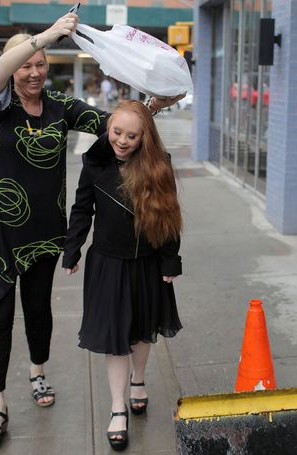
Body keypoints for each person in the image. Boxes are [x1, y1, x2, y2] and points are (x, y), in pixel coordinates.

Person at [0, 12, 183, 443]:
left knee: (39, 311)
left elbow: (115, 126)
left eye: (41, 63)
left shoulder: (60, 106)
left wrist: (151, 108)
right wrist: (45, 35)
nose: (33, 71)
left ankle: (38, 374)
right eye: (26, 63)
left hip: (43, 232)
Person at [62, 100, 183, 451]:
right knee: (114, 335)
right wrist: (72, 250)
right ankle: (118, 408)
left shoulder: (160, 167)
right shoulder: (95, 162)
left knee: (141, 330)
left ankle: (139, 380)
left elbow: (169, 218)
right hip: (107, 263)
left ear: (145, 136)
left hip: (146, 261)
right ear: (108, 127)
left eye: (132, 135)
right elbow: (82, 209)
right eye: (117, 132)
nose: (123, 140)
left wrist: (170, 261)